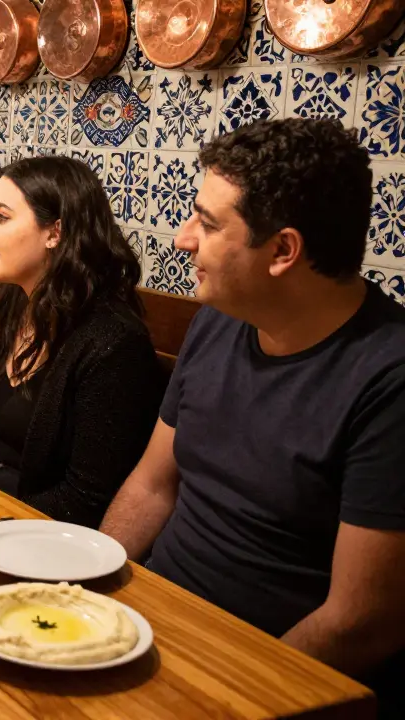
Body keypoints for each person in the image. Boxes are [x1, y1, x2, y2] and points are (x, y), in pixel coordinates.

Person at [98, 118, 405, 715]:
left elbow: (361, 622)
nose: (183, 238)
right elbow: (153, 485)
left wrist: (227, 701)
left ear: (284, 250)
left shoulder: (388, 380)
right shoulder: (221, 317)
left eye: (209, 224)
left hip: (266, 673)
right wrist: (82, 590)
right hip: (154, 624)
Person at [0, 156, 162, 529]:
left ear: (55, 233)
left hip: (37, 534)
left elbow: (86, 499)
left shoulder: (113, 343)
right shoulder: (6, 302)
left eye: (2, 216)